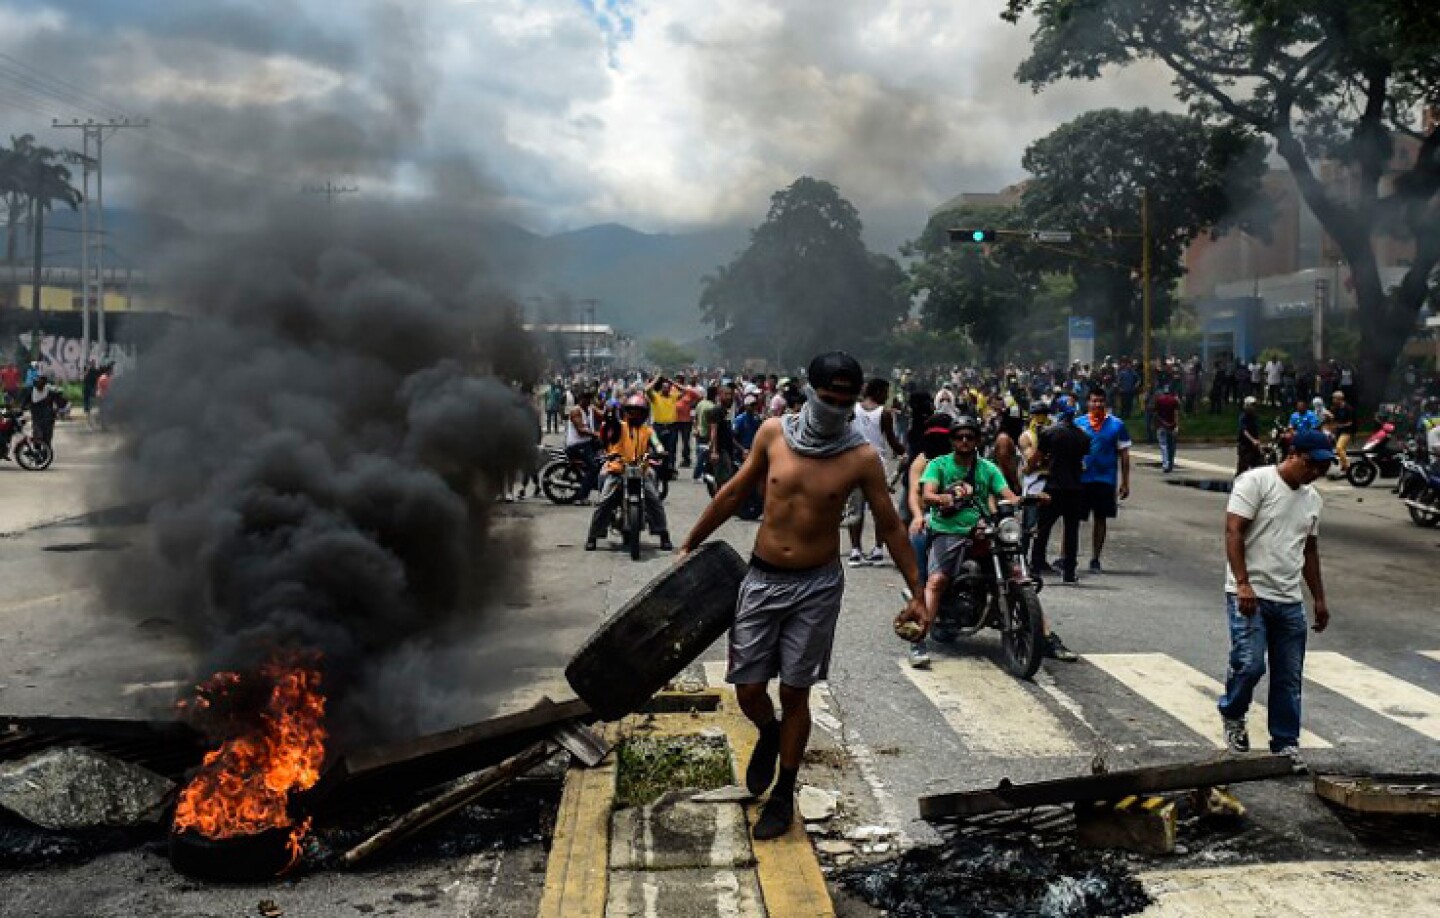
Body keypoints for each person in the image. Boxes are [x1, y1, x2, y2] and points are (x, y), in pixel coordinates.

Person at [678, 352, 927, 841]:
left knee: (796, 690)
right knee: (749, 690)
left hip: (816, 585)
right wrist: (690, 541)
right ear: (808, 391)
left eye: (845, 401)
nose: (834, 407)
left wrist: (918, 590)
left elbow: (890, 525)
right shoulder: (773, 433)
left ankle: (783, 794)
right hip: (762, 577)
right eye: (827, 397)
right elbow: (732, 493)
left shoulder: (860, 457)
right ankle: (769, 735)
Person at [1218, 429, 1332, 759]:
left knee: (1288, 677)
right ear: (1293, 454)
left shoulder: (1313, 500)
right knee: (1250, 665)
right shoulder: (1255, 483)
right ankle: (1233, 711)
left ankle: (1285, 743)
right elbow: (1233, 531)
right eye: (1312, 465)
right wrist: (1242, 582)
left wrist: (1319, 599)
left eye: (1323, 469)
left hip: (1289, 599)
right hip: (1250, 594)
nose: (1316, 474)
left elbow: (1310, 551)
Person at [902, 414, 955, 668]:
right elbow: (914, 494)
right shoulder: (921, 463)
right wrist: (917, 516)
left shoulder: (970, 461)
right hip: (931, 522)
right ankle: (917, 638)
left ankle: (1042, 634)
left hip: (962, 524)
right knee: (922, 572)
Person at [585, 395, 671, 552]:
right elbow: (610, 426)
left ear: (644, 414)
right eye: (631, 411)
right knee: (604, 501)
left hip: (640, 470)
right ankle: (593, 536)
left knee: (654, 501)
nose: (634, 415)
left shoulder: (648, 431)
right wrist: (610, 414)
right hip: (617, 469)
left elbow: (657, 444)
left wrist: (660, 451)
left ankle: (663, 535)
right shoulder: (619, 426)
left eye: (638, 412)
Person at [846, 378, 906, 566]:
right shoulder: (884, 414)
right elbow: (892, 440)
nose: (887, 397)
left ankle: (856, 550)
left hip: (853, 462)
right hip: (876, 465)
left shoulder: (853, 409)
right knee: (879, 509)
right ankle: (878, 549)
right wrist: (905, 452)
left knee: (855, 509)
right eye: (885, 392)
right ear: (878, 392)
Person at [1029, 401, 1089, 587]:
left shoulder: (1049, 433)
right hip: (1075, 489)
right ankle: (1069, 572)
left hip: (1054, 487)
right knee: (1071, 532)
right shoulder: (1083, 436)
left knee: (1043, 529)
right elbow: (1081, 462)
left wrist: (1029, 467)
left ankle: (1035, 567)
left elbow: (1036, 458)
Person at [1075, 389, 1131, 574]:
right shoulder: (1079, 424)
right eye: (1094, 401)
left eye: (1100, 401)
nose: (1097, 404)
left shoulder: (1117, 425)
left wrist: (1125, 482)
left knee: (1100, 518)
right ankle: (1068, 557)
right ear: (1088, 403)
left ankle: (1095, 558)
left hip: (1105, 479)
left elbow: (1124, 454)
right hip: (1082, 479)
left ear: (1105, 403)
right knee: (1074, 518)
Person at [565, 390, 603, 504]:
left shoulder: (591, 408)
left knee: (606, 454)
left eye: (589, 398)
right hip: (577, 445)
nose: (587, 400)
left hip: (587, 442)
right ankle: (581, 497)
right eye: (585, 398)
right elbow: (581, 430)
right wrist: (596, 434)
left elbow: (603, 415)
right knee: (593, 467)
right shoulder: (575, 411)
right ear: (580, 398)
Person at [646, 375, 682, 475]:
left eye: (668, 387)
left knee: (671, 449)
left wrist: (672, 381)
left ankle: (670, 470)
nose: (666, 389)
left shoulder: (673, 396)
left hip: (672, 426)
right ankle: (657, 469)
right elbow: (647, 389)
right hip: (658, 426)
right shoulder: (655, 396)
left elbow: (685, 390)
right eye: (664, 387)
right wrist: (656, 379)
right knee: (658, 449)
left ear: (670, 388)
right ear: (661, 388)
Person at [674, 374, 702, 468]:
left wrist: (692, 404)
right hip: (674, 420)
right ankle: (672, 460)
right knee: (673, 441)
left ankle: (686, 459)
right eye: (677, 380)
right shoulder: (672, 391)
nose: (679, 382)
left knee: (685, 441)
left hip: (686, 420)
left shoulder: (688, 391)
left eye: (681, 380)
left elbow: (699, 397)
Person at [1153, 385, 1181, 473]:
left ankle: (1165, 464)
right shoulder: (1174, 401)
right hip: (1171, 426)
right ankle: (1170, 464)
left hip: (1161, 426)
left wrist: (1157, 424)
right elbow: (1176, 414)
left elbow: (1156, 413)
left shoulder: (1159, 400)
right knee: (1171, 446)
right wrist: (1176, 425)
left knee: (1163, 445)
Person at [1328, 390, 1356, 477]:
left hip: (1347, 431)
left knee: (1339, 448)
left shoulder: (1348, 408)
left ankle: (1347, 467)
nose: (1333, 400)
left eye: (1335, 398)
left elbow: (1351, 422)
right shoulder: (1335, 408)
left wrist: (1339, 426)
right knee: (1341, 450)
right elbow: (1334, 420)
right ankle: (1343, 467)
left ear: (1340, 399)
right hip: (1339, 432)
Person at [693, 385, 717, 481]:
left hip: (699, 432)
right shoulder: (712, 407)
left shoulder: (701, 403)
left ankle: (701, 474)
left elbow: (695, 418)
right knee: (703, 456)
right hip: (706, 434)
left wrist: (695, 429)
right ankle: (698, 474)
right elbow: (711, 424)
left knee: (700, 455)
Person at [1236, 396, 1264, 476]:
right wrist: (1253, 440)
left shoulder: (1255, 417)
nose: (1254, 407)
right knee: (1243, 466)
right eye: (1253, 405)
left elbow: (1256, 431)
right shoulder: (1243, 417)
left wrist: (1259, 443)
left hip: (1254, 446)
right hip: (1245, 445)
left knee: (1259, 466)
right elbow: (1244, 431)